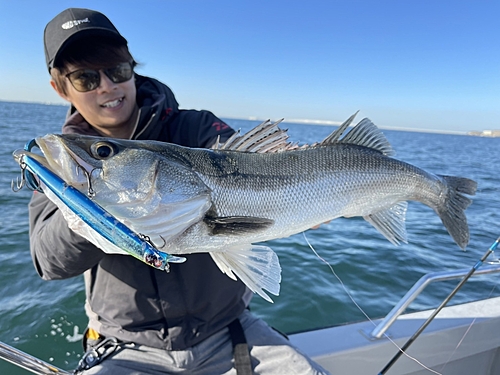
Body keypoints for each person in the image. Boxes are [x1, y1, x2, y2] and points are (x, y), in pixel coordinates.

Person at [29, 8, 330, 375]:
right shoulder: (64, 167)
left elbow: (240, 158)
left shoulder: (196, 126)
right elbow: (48, 261)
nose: (106, 86)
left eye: (118, 70)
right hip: (124, 346)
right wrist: (83, 211)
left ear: (132, 70)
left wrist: (307, 185)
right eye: (85, 78)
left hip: (230, 331)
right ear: (60, 88)